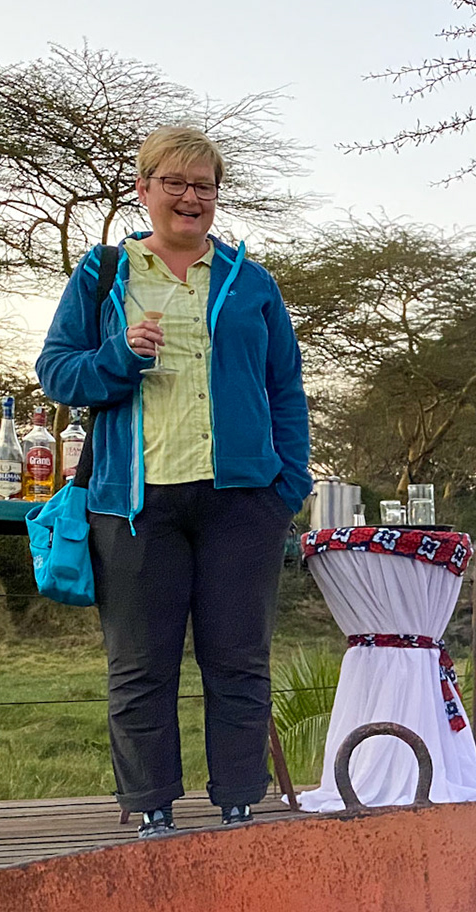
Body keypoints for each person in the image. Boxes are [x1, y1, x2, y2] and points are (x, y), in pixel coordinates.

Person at [37, 126, 312, 836]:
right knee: (140, 667)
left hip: (240, 504)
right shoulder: (104, 274)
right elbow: (58, 372)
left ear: (216, 197)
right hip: (133, 505)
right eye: (176, 183)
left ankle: (240, 806)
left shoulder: (252, 283)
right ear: (144, 189)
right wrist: (118, 356)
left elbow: (286, 388)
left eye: (204, 186)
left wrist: (287, 488)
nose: (190, 198)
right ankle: (152, 809)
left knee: (239, 662)